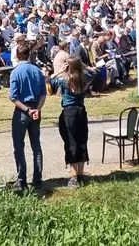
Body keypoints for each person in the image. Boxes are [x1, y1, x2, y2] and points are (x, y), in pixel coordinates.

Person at [49, 56, 93, 187]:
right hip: (81, 111)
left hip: (69, 112)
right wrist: (83, 67)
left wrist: (59, 71)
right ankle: (80, 173)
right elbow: (94, 73)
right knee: (81, 141)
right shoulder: (84, 78)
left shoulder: (64, 81)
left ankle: (74, 176)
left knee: (71, 142)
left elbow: (48, 81)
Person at [8, 43, 47, 193]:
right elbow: (43, 94)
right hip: (35, 109)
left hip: (22, 111)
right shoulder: (37, 71)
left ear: (17, 56)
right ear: (29, 54)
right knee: (36, 146)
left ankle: (22, 180)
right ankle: (37, 179)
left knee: (19, 146)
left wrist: (27, 110)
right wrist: (37, 109)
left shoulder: (16, 72)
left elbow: (13, 97)